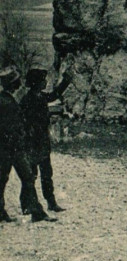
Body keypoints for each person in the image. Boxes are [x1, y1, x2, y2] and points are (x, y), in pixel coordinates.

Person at [0, 67, 52, 223]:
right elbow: (10, 127)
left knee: (8, 179)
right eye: (16, 81)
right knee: (25, 178)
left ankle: (33, 211)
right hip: (12, 148)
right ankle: (35, 211)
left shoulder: (7, 99)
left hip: (9, 148)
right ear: (11, 83)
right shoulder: (6, 102)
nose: (19, 83)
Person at [20, 67, 70, 214]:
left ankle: (51, 202)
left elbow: (54, 95)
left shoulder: (40, 96)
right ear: (36, 83)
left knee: (47, 173)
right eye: (43, 80)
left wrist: (65, 82)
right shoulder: (27, 100)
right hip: (32, 142)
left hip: (42, 141)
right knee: (31, 175)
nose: (45, 82)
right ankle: (26, 204)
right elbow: (23, 122)